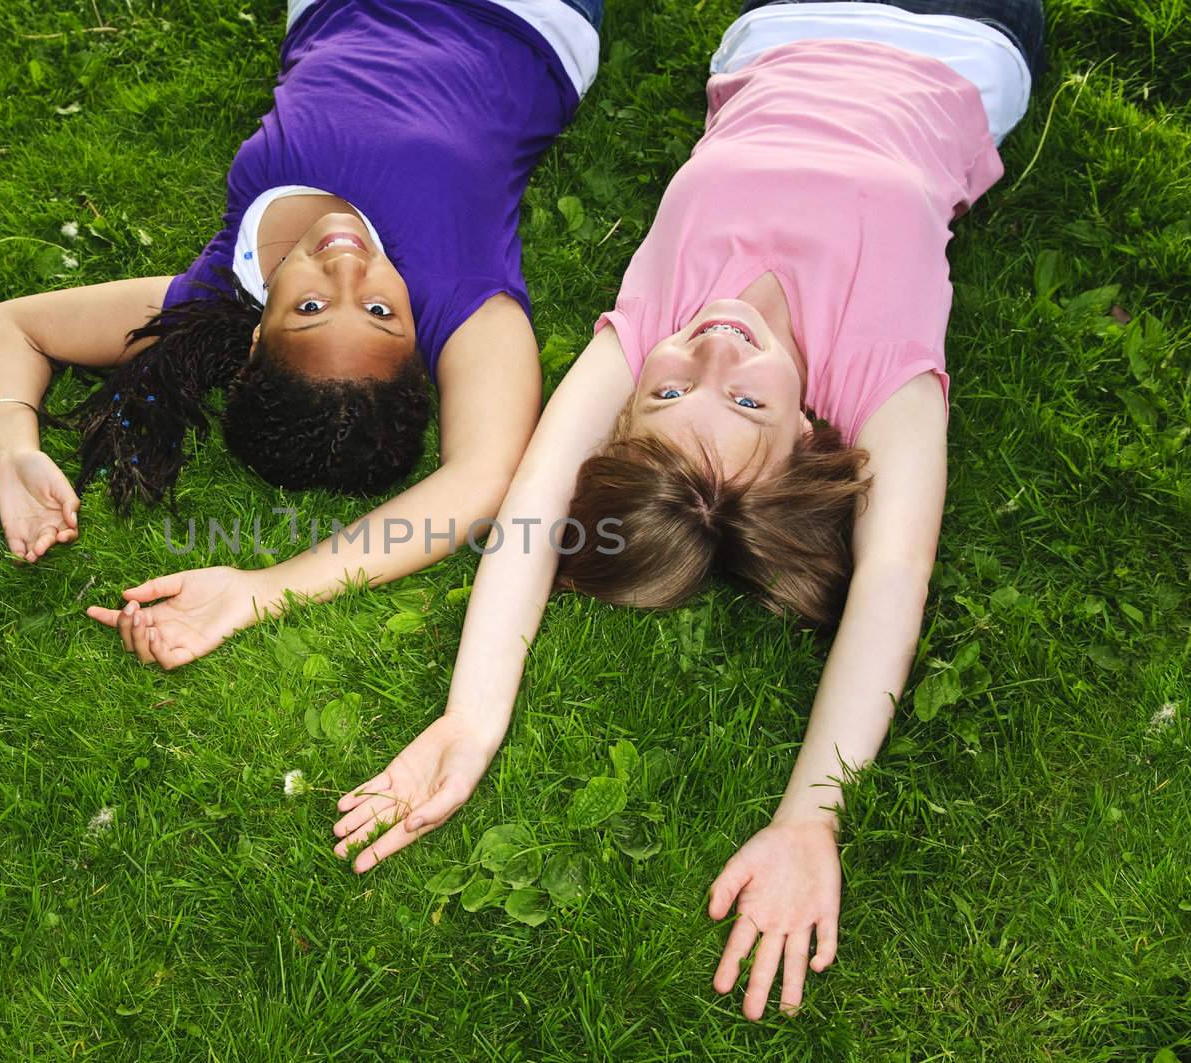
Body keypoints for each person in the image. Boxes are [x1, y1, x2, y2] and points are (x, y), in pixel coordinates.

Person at [330, 0, 1045, 1021]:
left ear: (627, 409)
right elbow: (892, 581)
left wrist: (471, 715)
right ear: (808, 434)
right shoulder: (879, 368)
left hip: (784, 26)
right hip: (960, 35)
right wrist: (810, 820)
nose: (710, 349)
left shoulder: (647, 334)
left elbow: (533, 512)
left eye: (668, 394)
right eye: (746, 397)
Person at [0, 0, 603, 665]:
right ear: (420, 351)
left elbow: (12, 327)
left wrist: (11, 449)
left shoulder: (219, 287)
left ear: (255, 337)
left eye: (310, 308)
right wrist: (264, 590)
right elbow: (482, 476)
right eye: (381, 313)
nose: (348, 266)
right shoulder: (457, 290)